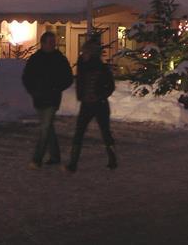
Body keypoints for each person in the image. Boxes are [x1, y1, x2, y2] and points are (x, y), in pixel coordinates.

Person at [21, 31, 73, 169]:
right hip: (39, 98)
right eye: (50, 42)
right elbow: (27, 77)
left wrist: (56, 87)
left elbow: (68, 77)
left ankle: (37, 159)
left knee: (44, 128)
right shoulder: (35, 59)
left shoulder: (59, 58)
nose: (53, 44)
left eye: (53, 42)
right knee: (48, 127)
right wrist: (33, 91)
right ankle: (55, 156)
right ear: (43, 43)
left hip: (52, 98)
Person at [65, 39, 117, 173]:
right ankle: (73, 163)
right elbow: (81, 83)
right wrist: (82, 96)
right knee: (79, 132)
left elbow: (110, 86)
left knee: (105, 131)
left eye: (85, 52)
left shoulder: (101, 68)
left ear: (92, 53)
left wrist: (100, 95)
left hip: (99, 104)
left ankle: (112, 158)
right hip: (87, 104)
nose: (83, 54)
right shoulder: (83, 65)